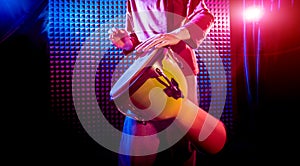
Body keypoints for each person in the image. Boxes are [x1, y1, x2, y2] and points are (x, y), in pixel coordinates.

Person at [108, 0, 227, 165]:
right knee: (136, 145)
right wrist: (128, 43)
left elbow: (205, 15)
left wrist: (177, 34)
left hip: (179, 69)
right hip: (145, 74)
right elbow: (136, 37)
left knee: (182, 140)